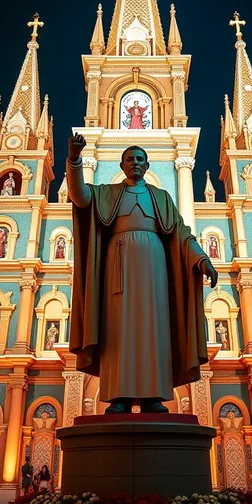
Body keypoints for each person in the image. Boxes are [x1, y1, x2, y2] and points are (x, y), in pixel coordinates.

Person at [66, 136, 218, 414]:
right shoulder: (107, 193)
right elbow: (79, 196)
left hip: (155, 268)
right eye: (129, 159)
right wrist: (75, 159)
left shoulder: (161, 198)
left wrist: (201, 259)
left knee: (154, 328)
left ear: (147, 165)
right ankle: (118, 397)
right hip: (118, 266)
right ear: (121, 165)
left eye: (139, 159)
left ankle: (153, 396)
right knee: (118, 330)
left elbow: (182, 234)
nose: (134, 163)